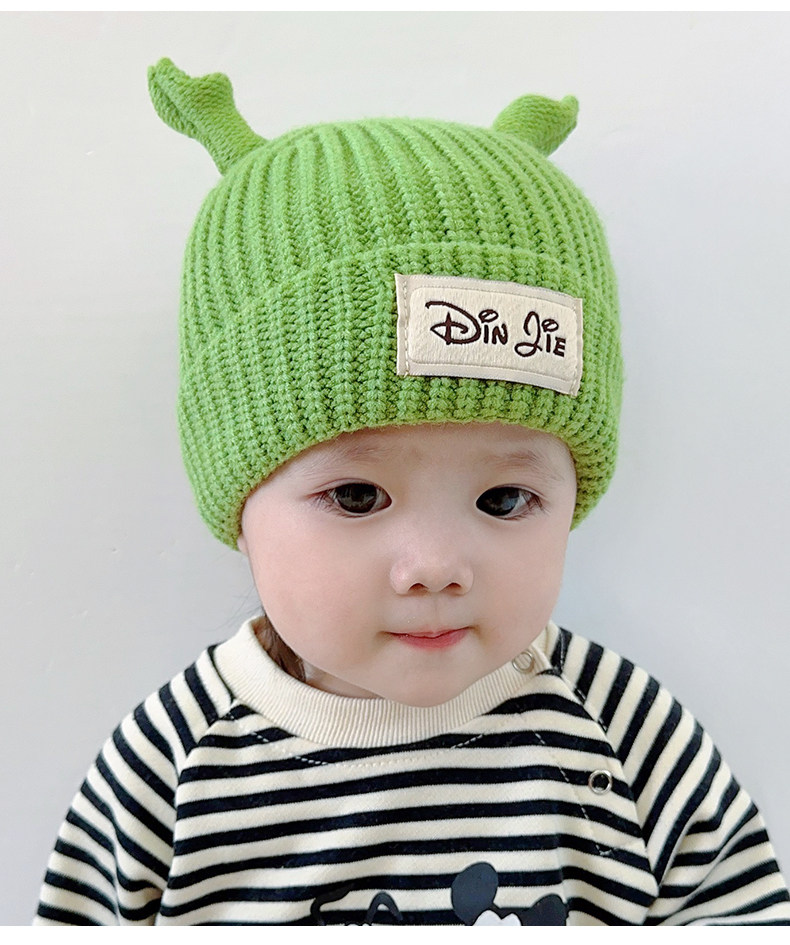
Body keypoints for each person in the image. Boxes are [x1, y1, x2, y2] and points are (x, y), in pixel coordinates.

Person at [34, 58, 790, 926]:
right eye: (357, 496)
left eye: (504, 500)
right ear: (237, 504)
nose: (435, 566)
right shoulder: (174, 762)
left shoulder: (625, 738)